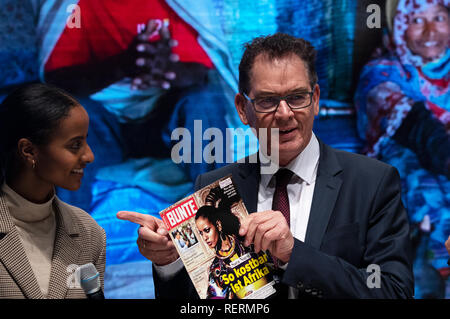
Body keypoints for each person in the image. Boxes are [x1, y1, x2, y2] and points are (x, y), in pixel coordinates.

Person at [117, 32, 414, 299]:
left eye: (297, 97)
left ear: (316, 100)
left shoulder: (373, 182)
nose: (285, 114)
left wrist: (293, 254)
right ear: (243, 109)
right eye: (268, 101)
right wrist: (168, 263)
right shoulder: (214, 188)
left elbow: (393, 292)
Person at [354, 0, 449, 297]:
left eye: (439, 17)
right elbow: (416, 127)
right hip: (414, 171)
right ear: (399, 26)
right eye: (418, 20)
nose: (431, 30)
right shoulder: (382, 72)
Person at [0, 83, 106, 298]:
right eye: (75, 145)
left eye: (86, 142)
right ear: (28, 150)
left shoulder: (90, 233)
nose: (89, 156)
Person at [195, 205, 250, 299]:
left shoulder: (247, 243)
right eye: (201, 233)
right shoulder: (215, 268)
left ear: (218, 225)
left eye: (207, 230)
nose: (204, 237)